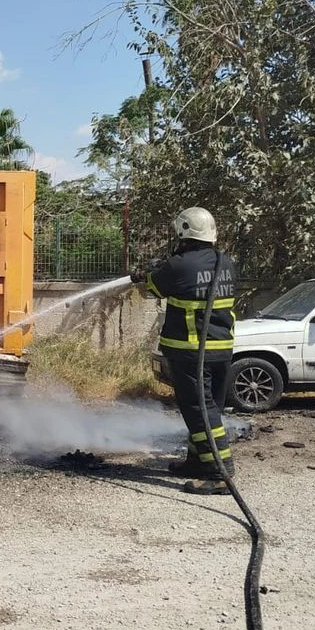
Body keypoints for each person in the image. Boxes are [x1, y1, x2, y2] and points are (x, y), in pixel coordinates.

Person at [130, 206, 238, 495]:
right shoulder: (226, 263)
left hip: (191, 352)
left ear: (183, 231)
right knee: (210, 407)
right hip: (222, 349)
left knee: (199, 411)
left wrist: (146, 273)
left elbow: (153, 288)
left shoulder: (179, 265)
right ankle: (197, 461)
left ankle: (219, 473)